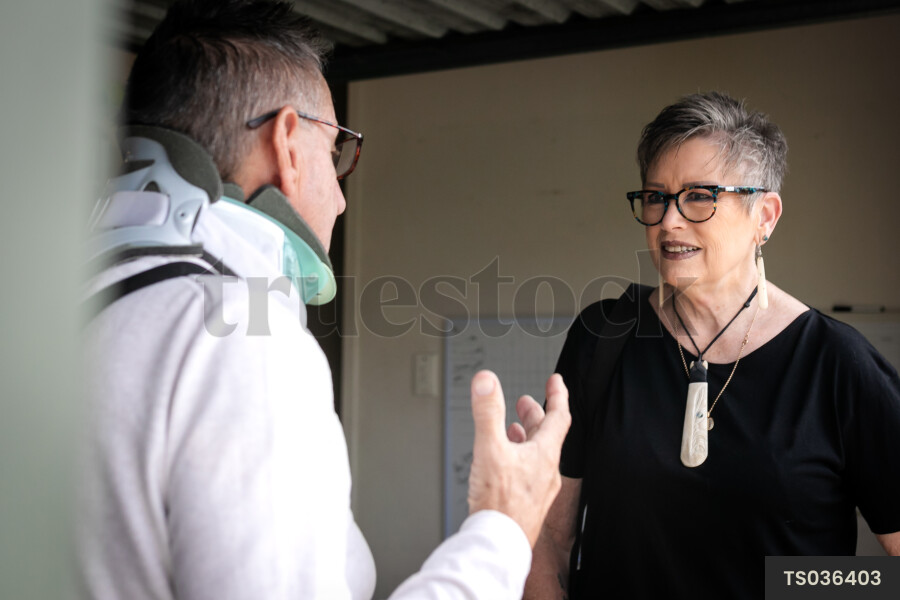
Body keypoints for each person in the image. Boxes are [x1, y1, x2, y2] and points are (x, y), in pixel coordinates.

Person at [78, 1, 570, 599]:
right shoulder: (240, 335)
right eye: (336, 153)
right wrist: (504, 526)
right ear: (287, 142)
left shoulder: (57, 314)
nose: (340, 200)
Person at [525, 91, 900, 600]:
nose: (668, 221)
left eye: (699, 196)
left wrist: (788, 585)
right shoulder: (603, 336)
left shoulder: (837, 364)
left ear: (764, 216)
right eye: (656, 197)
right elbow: (548, 538)